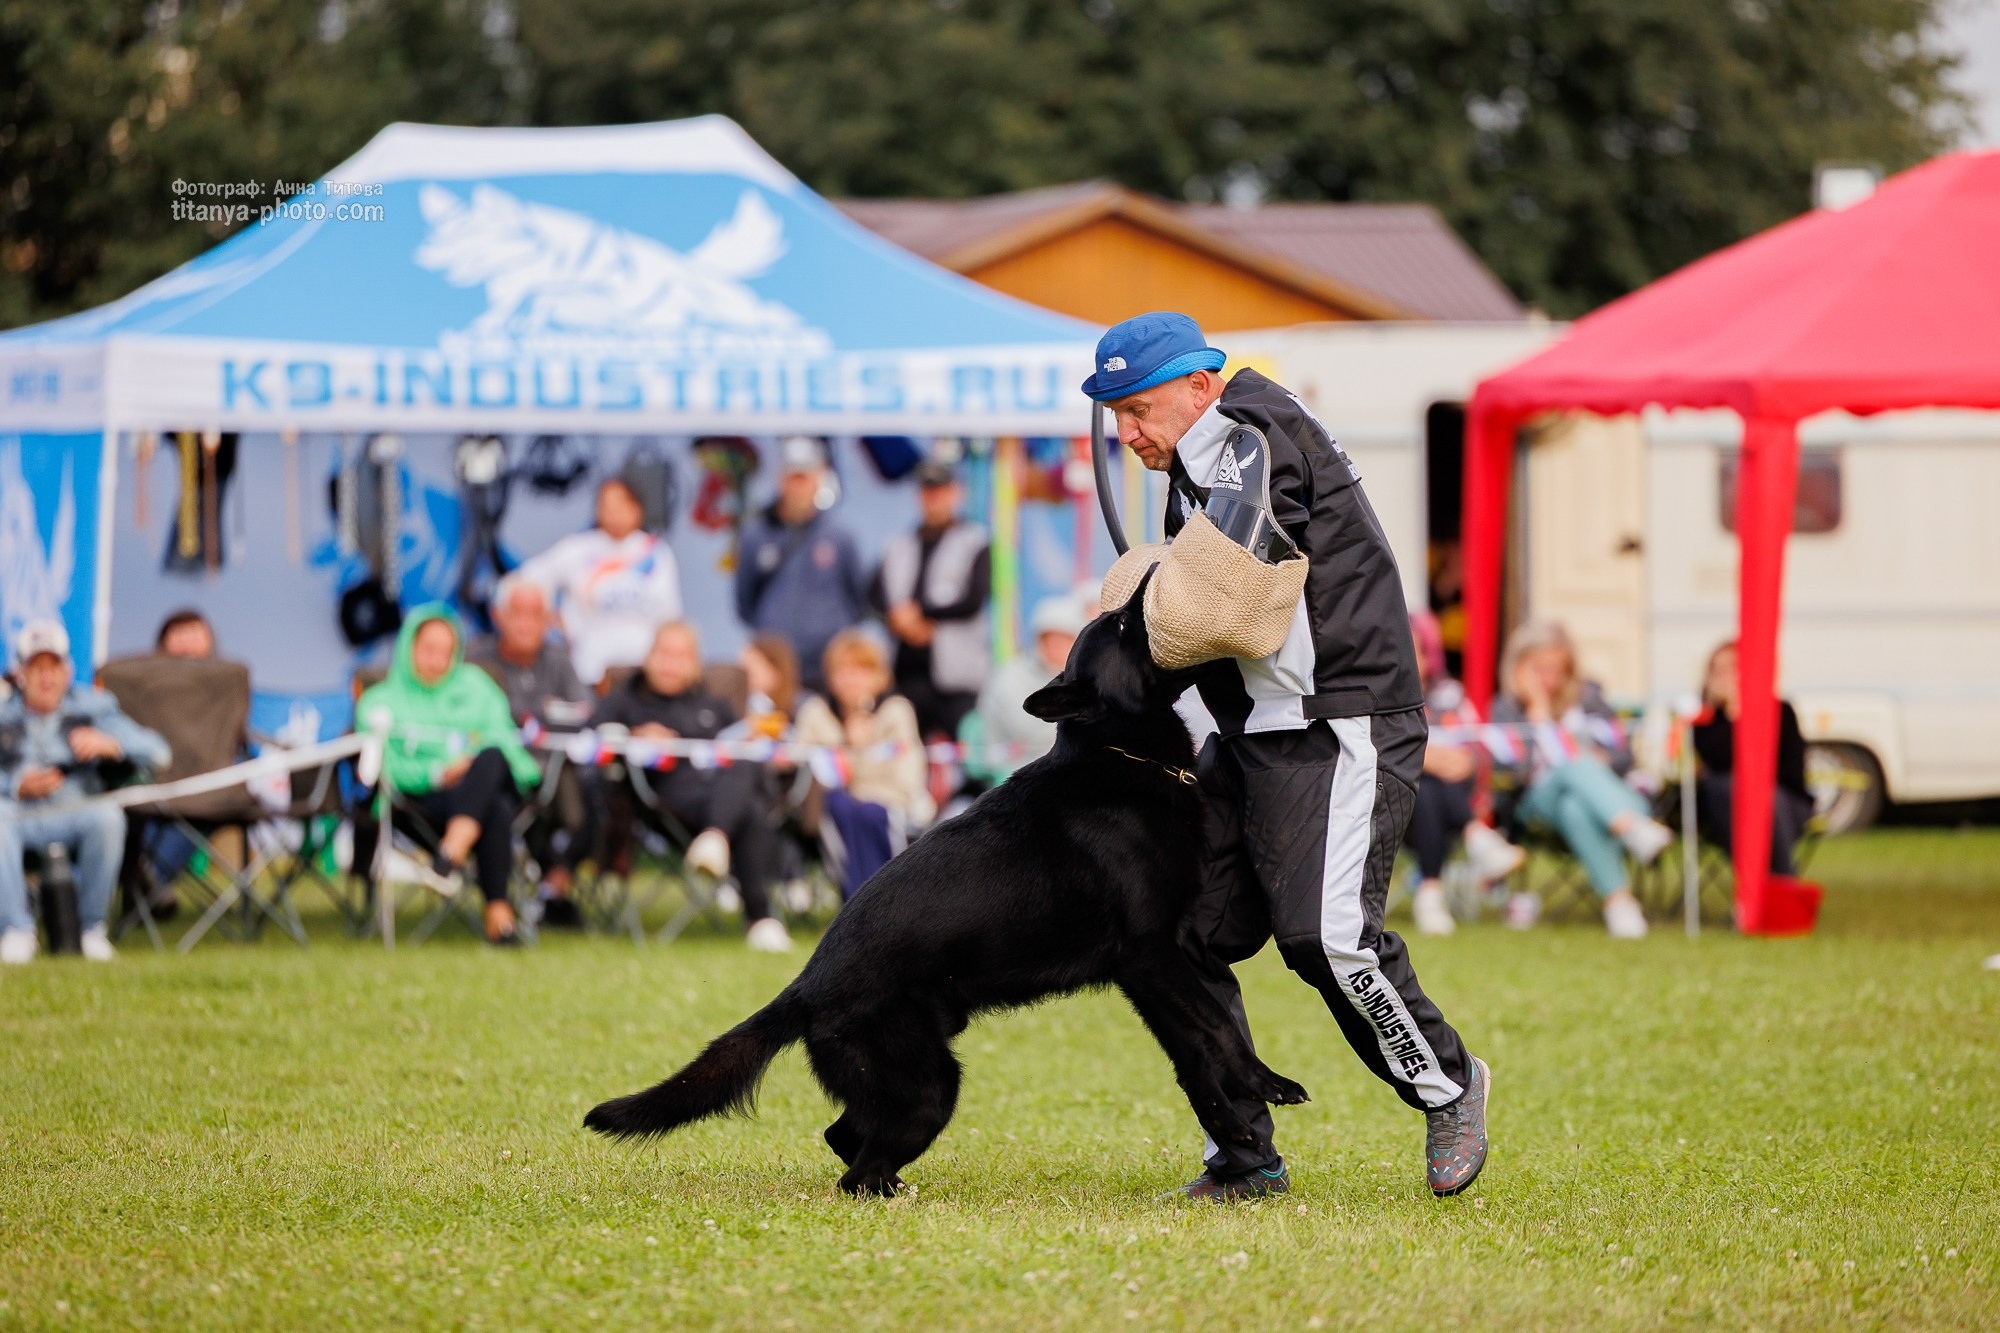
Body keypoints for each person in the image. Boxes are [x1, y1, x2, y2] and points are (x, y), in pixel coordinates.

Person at [1083, 310, 1488, 1201]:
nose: (1128, 433)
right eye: (1115, 415)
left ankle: (1449, 1086)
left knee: (1328, 937)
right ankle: (1244, 1152)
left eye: (1139, 410)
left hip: (1341, 720)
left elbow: (1222, 606)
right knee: (1171, 935)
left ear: (1201, 385)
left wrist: (1131, 612)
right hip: (1254, 732)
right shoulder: (1196, 458)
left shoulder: (1250, 435)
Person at [591, 622, 792, 953]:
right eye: (664, 654)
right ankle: (760, 917)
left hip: (718, 792)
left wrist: (760, 739)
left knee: (745, 773)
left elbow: (736, 739)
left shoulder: (711, 704)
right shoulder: (626, 698)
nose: (671, 664)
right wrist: (633, 737)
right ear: (649, 656)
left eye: (681, 656)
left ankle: (716, 839)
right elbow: (590, 736)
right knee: (749, 808)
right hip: (664, 801)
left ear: (695, 663)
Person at [356, 605, 543, 945]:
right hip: (420, 802)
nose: (438, 661)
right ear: (408, 648)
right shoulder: (379, 701)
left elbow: (503, 736)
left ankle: (452, 851)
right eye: (429, 650)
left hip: (477, 784)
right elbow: (388, 768)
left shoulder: (476, 685)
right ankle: (498, 913)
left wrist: (467, 764)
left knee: (490, 761)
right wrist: (440, 772)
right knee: (494, 806)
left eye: (447, 652)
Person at [1489, 620, 1675, 938]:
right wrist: (1540, 713)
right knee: (1572, 766)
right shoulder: (1505, 710)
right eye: (1539, 670)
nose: (1549, 679)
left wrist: (1596, 760)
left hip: (1611, 797)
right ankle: (1632, 830)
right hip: (1537, 805)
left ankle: (1619, 903)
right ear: (1518, 668)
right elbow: (1515, 771)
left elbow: (1623, 754)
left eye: (1556, 669)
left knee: (1574, 805)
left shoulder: (1589, 698)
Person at [0, 620, 170, 963]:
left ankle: (92, 928)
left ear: (68, 671)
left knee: (107, 817)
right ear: (19, 674)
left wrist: (112, 744)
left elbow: (159, 753)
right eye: (36, 668)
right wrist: (15, 784)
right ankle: (16, 929)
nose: (46, 678)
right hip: (17, 814)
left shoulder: (95, 708)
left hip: (76, 810)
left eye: (54, 667)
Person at [466, 575, 595, 925]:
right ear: (497, 615)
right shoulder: (474, 660)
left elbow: (584, 713)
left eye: (535, 614)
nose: (525, 623)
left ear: (548, 619)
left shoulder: (558, 660)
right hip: (496, 776)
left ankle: (555, 884)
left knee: (597, 790)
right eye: (517, 613)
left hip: (554, 771)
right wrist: (542, 715)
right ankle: (531, 897)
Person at [1406, 611, 1524, 937]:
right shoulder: (1381, 699)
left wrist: (1464, 762)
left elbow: (1475, 749)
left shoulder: (1452, 695)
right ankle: (1479, 838)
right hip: (1395, 805)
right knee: (1421, 781)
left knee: (1430, 786)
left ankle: (1430, 892)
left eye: (1417, 650)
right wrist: (1423, 759)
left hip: (1447, 794)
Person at [793, 630, 931, 899]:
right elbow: (803, 761)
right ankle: (855, 900)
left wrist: (860, 753)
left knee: (868, 813)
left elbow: (907, 777)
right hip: (831, 809)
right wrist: (847, 741)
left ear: (880, 677)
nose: (851, 681)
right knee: (841, 806)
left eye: (861, 671)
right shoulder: (816, 712)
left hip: (888, 804)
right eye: (842, 671)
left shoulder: (896, 711)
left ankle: (887, 896)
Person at [514, 476, 683, 687]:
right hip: (589, 670)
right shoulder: (578, 548)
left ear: (638, 508)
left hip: (644, 676)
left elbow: (671, 615)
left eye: (622, 503)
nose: (614, 512)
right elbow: (525, 579)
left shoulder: (656, 553)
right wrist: (550, 616)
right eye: (607, 505)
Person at [734, 436, 870, 693]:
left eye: (804, 477)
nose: (798, 486)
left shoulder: (839, 536)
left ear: (819, 479)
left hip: (826, 667)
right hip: (774, 667)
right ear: (780, 479)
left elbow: (856, 598)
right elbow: (745, 600)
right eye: (792, 477)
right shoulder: (756, 535)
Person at [872, 459, 991, 738]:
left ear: (956, 493)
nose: (934, 498)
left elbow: (973, 599)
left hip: (956, 675)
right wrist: (901, 622)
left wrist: (922, 615)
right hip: (905, 671)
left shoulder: (975, 540)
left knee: (964, 757)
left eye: (941, 489)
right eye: (928, 490)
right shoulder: (898, 544)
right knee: (905, 751)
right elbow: (874, 597)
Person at [1692, 639, 1816, 874]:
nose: (1721, 678)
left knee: (1763, 796)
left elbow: (1775, 767)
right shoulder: (1706, 720)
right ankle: (1774, 887)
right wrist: (1732, 713)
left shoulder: (1780, 712)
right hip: (1728, 811)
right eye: (1715, 671)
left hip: (1783, 804)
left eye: (1729, 669)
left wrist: (1741, 709)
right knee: (1723, 784)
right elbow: (1722, 758)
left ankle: (1770, 885)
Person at [961, 593, 1085, 786]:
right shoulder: (1011, 677)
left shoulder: (1081, 677)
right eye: (1052, 640)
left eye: (1066, 640)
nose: (1058, 648)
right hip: (1015, 769)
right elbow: (1025, 728)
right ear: (1039, 641)